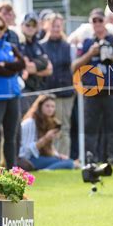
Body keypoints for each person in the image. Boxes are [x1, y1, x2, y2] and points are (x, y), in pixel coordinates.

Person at [72, 8, 113, 165]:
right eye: (94, 21)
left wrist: (111, 57)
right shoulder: (86, 42)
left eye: (100, 20)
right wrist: (90, 53)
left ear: (105, 22)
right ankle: (91, 158)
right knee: (90, 128)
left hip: (112, 90)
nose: (97, 24)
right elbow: (74, 66)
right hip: (91, 91)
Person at [0, 12, 26, 167]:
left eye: (0, 27)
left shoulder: (10, 46)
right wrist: (11, 68)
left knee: (11, 136)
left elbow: (22, 64)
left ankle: (11, 171)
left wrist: (6, 65)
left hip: (13, 95)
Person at [41, 14, 75, 157]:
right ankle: (50, 156)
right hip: (47, 93)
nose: (56, 29)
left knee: (64, 127)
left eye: (58, 26)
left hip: (66, 94)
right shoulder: (41, 46)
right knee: (48, 127)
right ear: (47, 26)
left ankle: (64, 157)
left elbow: (74, 68)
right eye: (53, 26)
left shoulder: (69, 46)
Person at [19, 94, 78, 170]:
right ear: (40, 107)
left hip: (39, 158)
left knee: (68, 161)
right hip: (26, 160)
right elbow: (25, 152)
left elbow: (49, 149)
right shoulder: (30, 123)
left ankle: (48, 169)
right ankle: (44, 171)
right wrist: (45, 139)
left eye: (53, 106)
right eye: (47, 106)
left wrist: (58, 155)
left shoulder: (48, 121)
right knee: (69, 164)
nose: (50, 109)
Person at [19, 12, 53, 114]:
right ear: (22, 25)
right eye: (27, 25)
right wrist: (40, 64)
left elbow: (49, 69)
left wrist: (32, 67)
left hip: (38, 90)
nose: (30, 28)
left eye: (33, 25)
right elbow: (24, 67)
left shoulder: (38, 44)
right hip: (24, 91)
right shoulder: (18, 43)